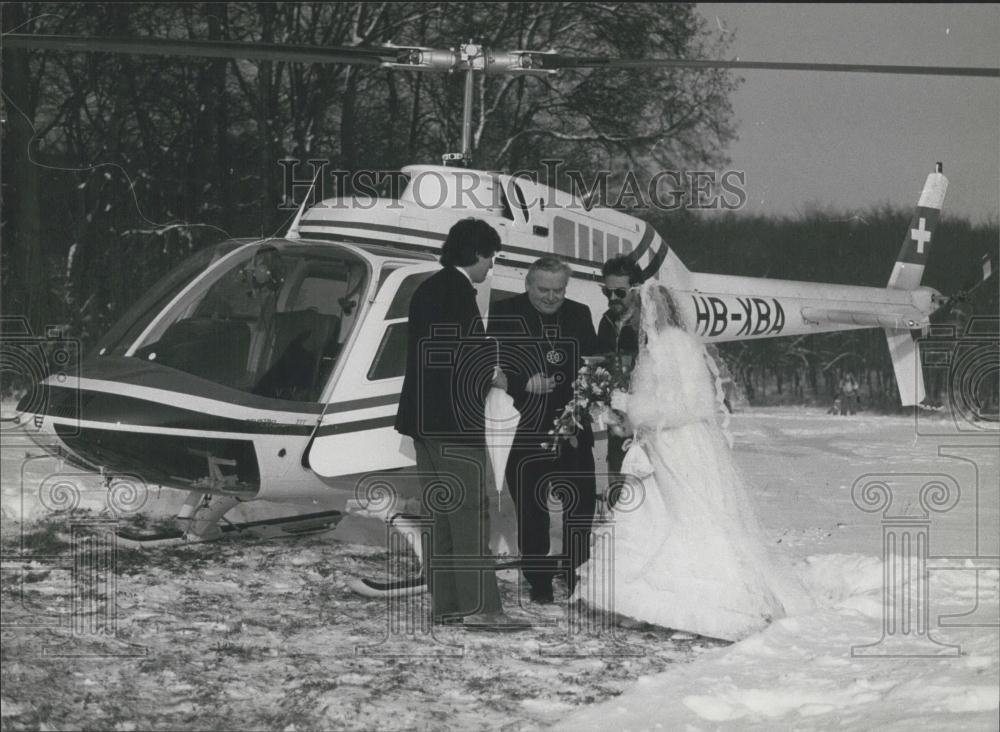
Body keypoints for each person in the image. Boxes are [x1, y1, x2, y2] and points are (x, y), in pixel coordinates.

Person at [574, 282, 811, 641]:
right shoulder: (661, 345)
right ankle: (635, 600)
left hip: (679, 443)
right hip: (662, 441)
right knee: (654, 514)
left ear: (650, 311)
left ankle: (679, 598)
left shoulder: (673, 346)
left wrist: (636, 416)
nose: (632, 318)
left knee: (686, 516)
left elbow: (690, 404)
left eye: (636, 311)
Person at [394, 218, 524, 630]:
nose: (491, 267)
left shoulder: (427, 289)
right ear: (477, 253)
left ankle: (448, 605)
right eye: (491, 257)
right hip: (453, 424)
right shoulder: (458, 293)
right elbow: (464, 355)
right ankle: (482, 608)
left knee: (441, 517)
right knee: (469, 515)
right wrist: (499, 373)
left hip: (422, 421)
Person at [488, 257, 598, 604]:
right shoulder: (504, 312)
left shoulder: (580, 314)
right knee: (532, 511)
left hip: (573, 428)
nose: (552, 297)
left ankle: (574, 572)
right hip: (525, 429)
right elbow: (489, 366)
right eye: (544, 290)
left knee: (580, 508)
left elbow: (594, 366)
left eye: (559, 290)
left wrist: (583, 406)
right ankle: (538, 582)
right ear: (528, 285)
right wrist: (524, 384)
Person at [596, 256, 643, 498]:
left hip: (647, 415)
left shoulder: (649, 321)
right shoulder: (606, 321)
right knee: (617, 471)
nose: (612, 298)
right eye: (607, 292)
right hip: (617, 415)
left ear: (635, 289)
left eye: (620, 292)